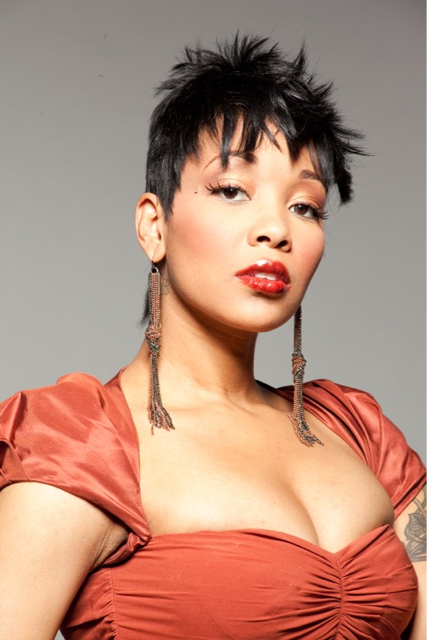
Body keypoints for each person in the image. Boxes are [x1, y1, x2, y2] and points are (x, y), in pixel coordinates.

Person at [0, 34, 425, 640]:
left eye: (305, 206)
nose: (275, 229)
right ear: (154, 226)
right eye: (232, 190)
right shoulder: (80, 445)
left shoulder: (360, 432)